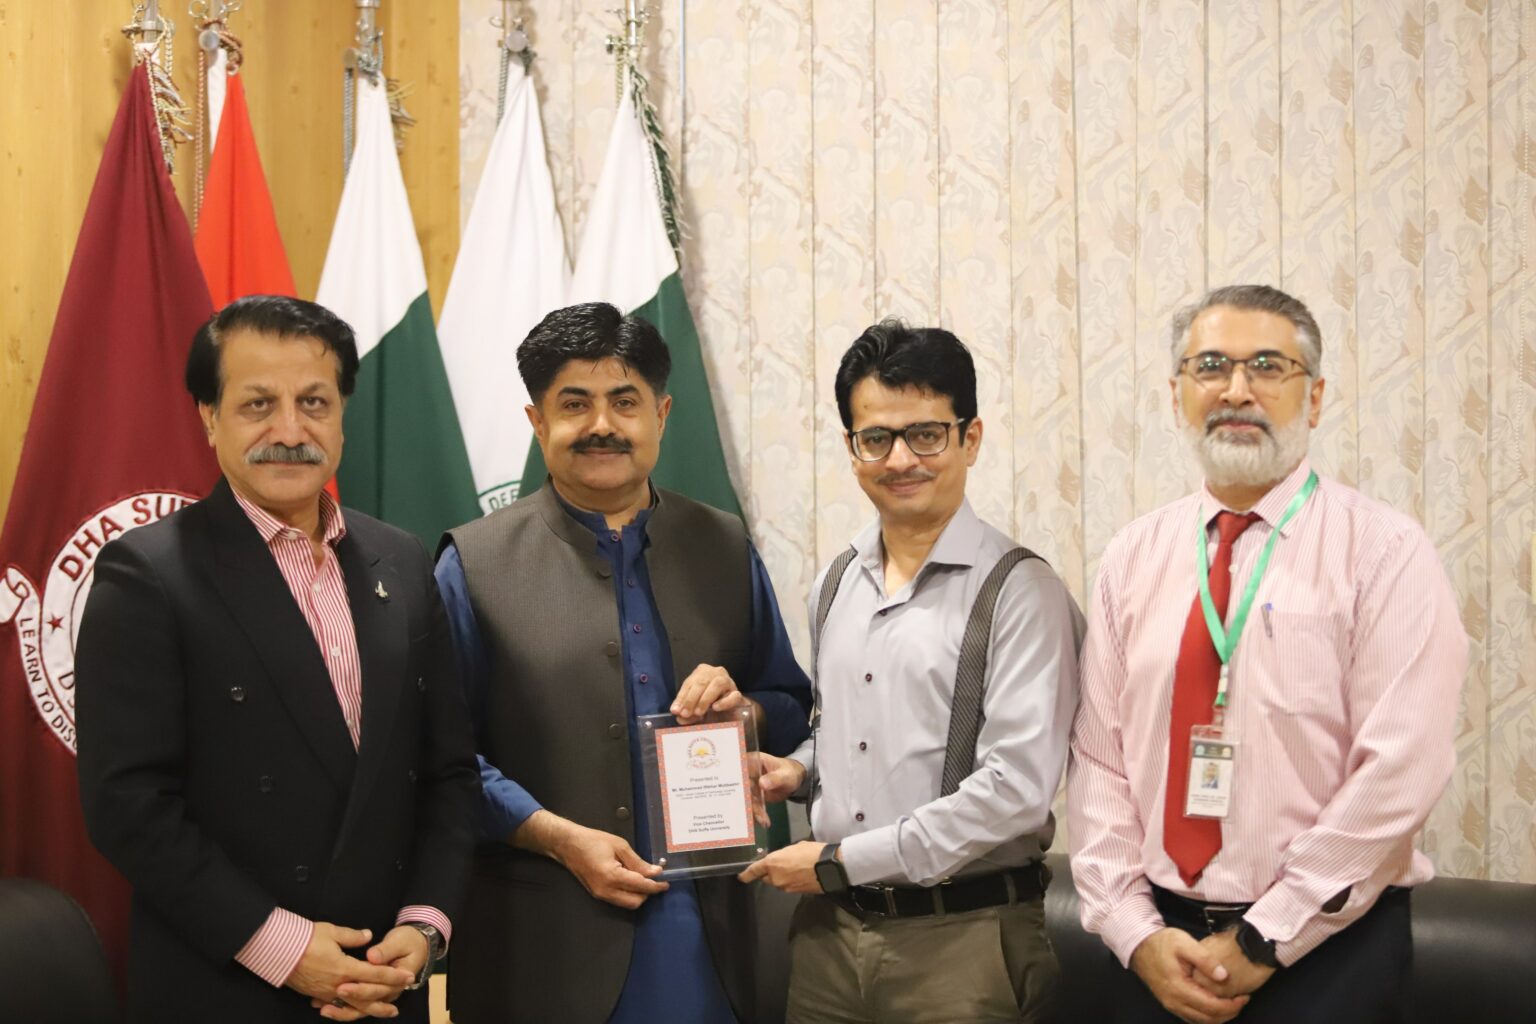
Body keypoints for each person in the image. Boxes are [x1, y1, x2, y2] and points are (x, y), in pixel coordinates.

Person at [1066, 284, 1467, 1024]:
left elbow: (1402, 768)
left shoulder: (1384, 552)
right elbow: (1099, 760)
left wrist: (1265, 937)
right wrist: (1132, 930)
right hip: (1155, 947)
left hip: (1328, 952)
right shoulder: (1133, 556)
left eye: (1268, 367)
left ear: (1314, 398)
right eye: (1211, 366)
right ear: (1177, 394)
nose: (1236, 390)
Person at [74, 295, 480, 1024]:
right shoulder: (147, 575)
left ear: (342, 414)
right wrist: (286, 950)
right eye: (258, 404)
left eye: (314, 403)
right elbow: (127, 807)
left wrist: (424, 927)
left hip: (386, 985)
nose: (290, 431)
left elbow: (448, 771)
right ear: (209, 416)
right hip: (227, 987)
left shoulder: (402, 559)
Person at [436, 301, 813, 1023]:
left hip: (719, 941)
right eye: (575, 404)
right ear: (538, 422)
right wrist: (555, 836)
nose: (602, 424)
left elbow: (790, 705)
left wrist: (748, 711)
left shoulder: (723, 544)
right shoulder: (473, 564)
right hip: (542, 946)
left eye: (625, 401)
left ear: (661, 415)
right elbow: (442, 759)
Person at [742, 320, 1083, 1023]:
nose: (900, 459)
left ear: (970, 438)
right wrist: (799, 770)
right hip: (828, 941)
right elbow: (847, 733)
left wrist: (838, 862)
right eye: (876, 438)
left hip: (964, 942)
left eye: (925, 434)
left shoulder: (1021, 591)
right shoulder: (837, 580)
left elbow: (1015, 791)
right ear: (852, 448)